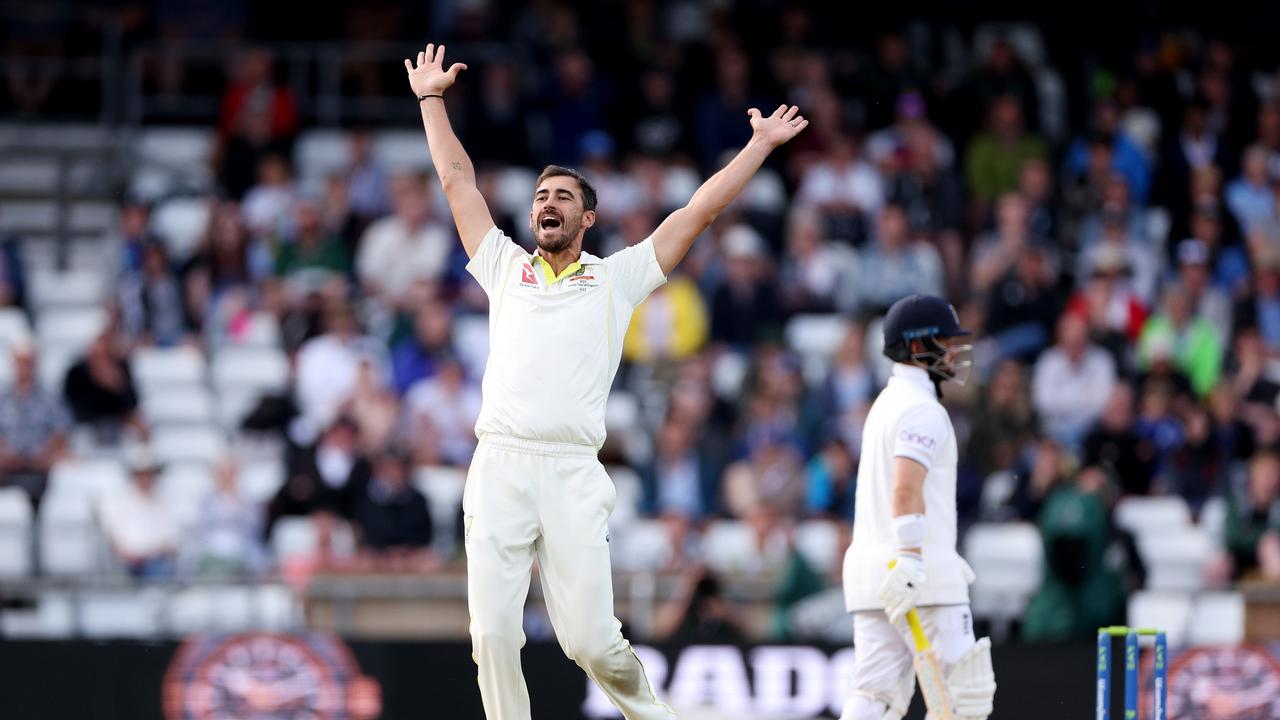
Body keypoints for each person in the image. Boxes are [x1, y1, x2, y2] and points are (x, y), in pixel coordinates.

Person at [405, 42, 807, 720]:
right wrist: (431, 99)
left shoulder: (614, 279)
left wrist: (759, 145)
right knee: (492, 636)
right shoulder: (504, 265)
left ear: (587, 218)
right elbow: (455, 179)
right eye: (540, 196)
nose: (547, 203)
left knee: (592, 642)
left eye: (563, 196)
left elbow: (696, 214)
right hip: (500, 460)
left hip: (571, 470)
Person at [838, 294, 995, 720]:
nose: (954, 351)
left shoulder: (885, 404)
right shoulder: (920, 409)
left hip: (872, 575)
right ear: (915, 346)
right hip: (919, 573)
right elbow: (906, 489)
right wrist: (909, 559)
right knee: (966, 697)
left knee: (875, 695)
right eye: (944, 341)